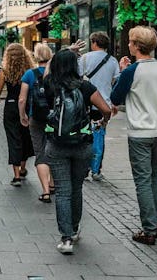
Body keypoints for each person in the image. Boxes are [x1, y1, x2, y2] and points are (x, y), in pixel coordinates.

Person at [110, 26, 157, 246]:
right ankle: (156, 222)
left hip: (140, 133)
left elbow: (115, 97)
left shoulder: (132, 71)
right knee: (154, 176)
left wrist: (122, 72)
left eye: (131, 42)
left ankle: (149, 229)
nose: (129, 45)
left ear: (137, 46)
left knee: (142, 180)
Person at [44, 49, 112, 254]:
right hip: (82, 145)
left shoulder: (50, 85)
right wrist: (102, 121)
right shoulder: (85, 86)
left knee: (63, 191)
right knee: (76, 188)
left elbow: (47, 72)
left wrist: (54, 60)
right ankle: (73, 229)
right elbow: (106, 109)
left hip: (56, 145)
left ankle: (65, 239)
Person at [77, 32, 120, 182]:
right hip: (103, 104)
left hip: (86, 103)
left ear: (94, 42)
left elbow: (78, 77)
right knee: (99, 136)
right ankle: (96, 169)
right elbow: (115, 80)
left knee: (83, 136)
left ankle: (83, 167)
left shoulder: (85, 58)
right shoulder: (113, 61)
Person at [0, 43, 34, 186]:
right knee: (25, 137)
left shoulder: (5, 70)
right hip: (26, 106)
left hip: (11, 107)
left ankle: (16, 176)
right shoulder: (30, 70)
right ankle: (23, 168)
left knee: (13, 139)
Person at [19, 43, 54, 203]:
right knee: (54, 149)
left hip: (36, 118)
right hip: (54, 118)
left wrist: (23, 115)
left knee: (40, 152)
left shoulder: (29, 74)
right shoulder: (55, 73)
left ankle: (46, 191)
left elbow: (22, 99)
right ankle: (53, 184)